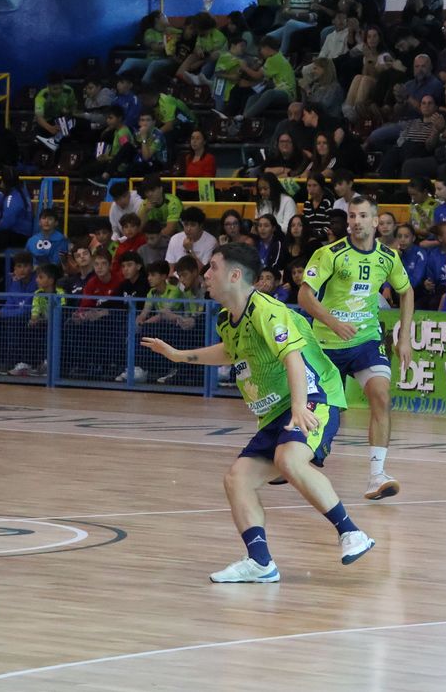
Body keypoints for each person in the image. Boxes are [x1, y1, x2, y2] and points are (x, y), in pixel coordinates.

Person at [140, 243, 371, 581]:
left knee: (288, 460)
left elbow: (293, 357)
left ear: (235, 275)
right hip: (277, 410)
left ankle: (351, 533)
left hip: (314, 396)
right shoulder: (227, 318)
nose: (205, 274)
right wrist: (179, 356)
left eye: (213, 268)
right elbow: (230, 352)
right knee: (237, 479)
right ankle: (260, 562)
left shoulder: (267, 310)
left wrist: (297, 407)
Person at [297, 196, 414, 502]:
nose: (356, 221)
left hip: (365, 341)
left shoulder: (388, 257)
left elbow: (407, 291)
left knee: (381, 396)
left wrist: (405, 338)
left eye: (363, 216)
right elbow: (305, 296)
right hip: (326, 344)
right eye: (352, 216)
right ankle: (291, 458)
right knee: (318, 412)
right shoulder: (330, 254)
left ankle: (377, 475)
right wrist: (332, 322)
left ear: (376, 222)